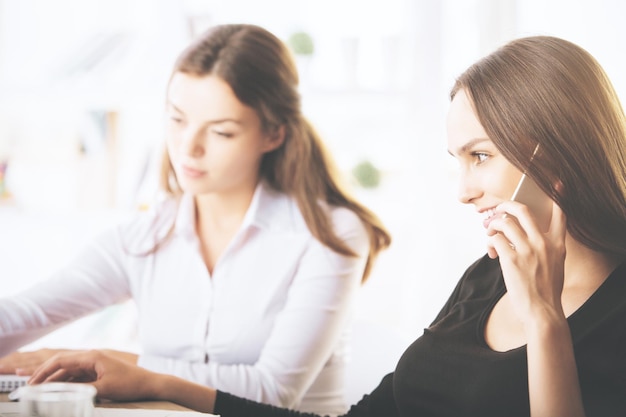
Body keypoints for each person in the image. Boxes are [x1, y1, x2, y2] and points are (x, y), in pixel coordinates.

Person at [25, 34, 626, 417]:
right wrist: (157, 383)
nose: (464, 191)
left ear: (555, 155)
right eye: (457, 161)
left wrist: (546, 324)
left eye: (481, 156)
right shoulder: (484, 281)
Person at [0, 24, 392, 415]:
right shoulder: (145, 237)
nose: (188, 148)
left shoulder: (329, 234)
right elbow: (24, 315)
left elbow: (272, 392)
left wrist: (123, 365)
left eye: (221, 132)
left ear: (273, 135)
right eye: (177, 119)